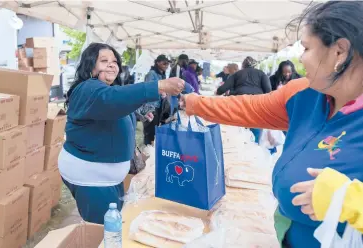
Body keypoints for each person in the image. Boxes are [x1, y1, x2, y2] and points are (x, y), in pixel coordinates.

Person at [181, 1, 363, 247]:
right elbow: (250, 107)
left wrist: (351, 201)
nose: (301, 59)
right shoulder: (304, 93)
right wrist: (195, 103)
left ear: (339, 52)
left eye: (307, 48)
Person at [59, 43, 184, 224]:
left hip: (107, 177)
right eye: (103, 61)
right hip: (92, 178)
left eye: (114, 61)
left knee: (114, 222)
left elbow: (112, 108)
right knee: (104, 230)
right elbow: (110, 100)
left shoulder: (104, 89)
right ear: (90, 65)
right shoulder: (87, 88)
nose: (111, 64)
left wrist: (136, 113)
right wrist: (159, 85)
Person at [216, 56, 271, 143]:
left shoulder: (237, 74)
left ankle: (240, 147)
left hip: (240, 105)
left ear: (243, 65)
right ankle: (254, 148)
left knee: (239, 133)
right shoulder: (262, 74)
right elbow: (268, 92)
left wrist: (219, 92)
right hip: (257, 106)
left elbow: (221, 90)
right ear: (254, 65)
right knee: (255, 133)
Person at [142, 55, 170, 146]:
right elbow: (148, 89)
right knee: (149, 132)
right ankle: (147, 151)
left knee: (155, 131)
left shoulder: (162, 74)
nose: (166, 65)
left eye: (167, 63)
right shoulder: (152, 74)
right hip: (151, 107)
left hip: (158, 106)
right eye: (164, 63)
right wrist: (161, 92)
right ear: (157, 62)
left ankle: (151, 149)